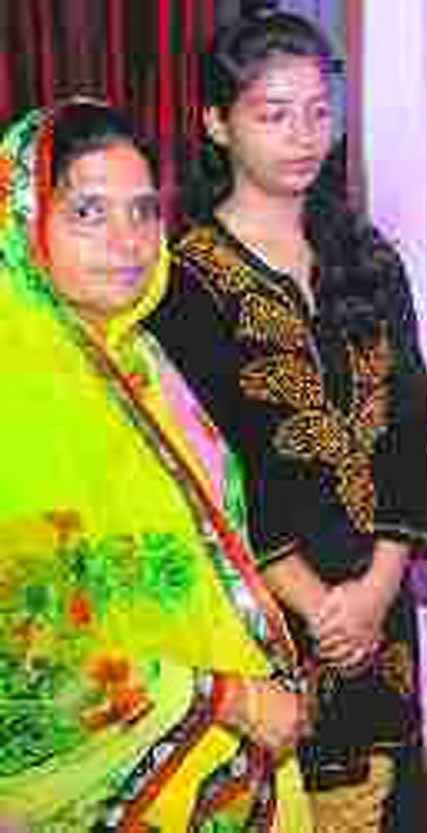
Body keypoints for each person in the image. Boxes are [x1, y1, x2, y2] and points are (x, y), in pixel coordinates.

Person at [148, 11, 427, 832]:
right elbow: (210, 472)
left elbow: (410, 428)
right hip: (268, 609)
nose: (304, 135)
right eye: (274, 114)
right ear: (217, 123)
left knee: (382, 800)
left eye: (317, 111)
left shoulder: (368, 257)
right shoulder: (184, 282)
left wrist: (377, 587)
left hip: (376, 603)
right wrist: (319, 606)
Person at [0, 101, 312, 830]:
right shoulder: (18, 389)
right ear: (21, 222)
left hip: (219, 751)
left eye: (143, 210)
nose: (128, 240)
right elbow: (20, 662)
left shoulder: (137, 359)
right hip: (104, 786)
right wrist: (227, 698)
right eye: (88, 212)